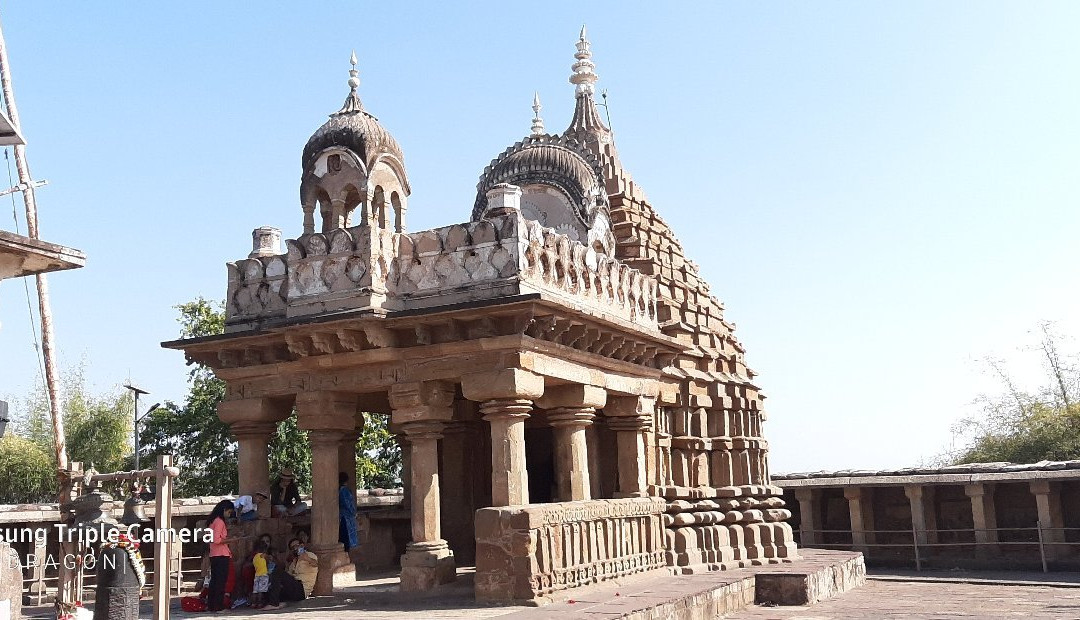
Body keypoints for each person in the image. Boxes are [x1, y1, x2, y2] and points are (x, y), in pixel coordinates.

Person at [261, 538, 315, 610]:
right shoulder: (294, 562)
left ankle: (274, 603)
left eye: (297, 545)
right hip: (294, 587)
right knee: (268, 590)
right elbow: (287, 576)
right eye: (293, 548)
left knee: (278, 572)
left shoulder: (310, 555)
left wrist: (307, 558)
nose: (295, 548)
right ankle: (280, 602)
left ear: (302, 545)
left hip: (302, 589)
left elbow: (316, 564)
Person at [205, 499, 239, 612]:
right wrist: (231, 540)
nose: (229, 515)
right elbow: (217, 540)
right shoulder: (219, 521)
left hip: (214, 554)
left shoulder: (212, 521)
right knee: (220, 581)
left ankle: (212, 605)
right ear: (224, 510)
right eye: (229, 512)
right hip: (221, 554)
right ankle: (218, 606)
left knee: (214, 581)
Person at [338, 471, 358, 551]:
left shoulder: (339, 490)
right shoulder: (345, 491)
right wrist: (354, 512)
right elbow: (348, 504)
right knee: (346, 540)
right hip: (347, 518)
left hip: (341, 516)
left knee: (343, 538)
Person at [250, 540, 270, 608]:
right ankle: (260, 603)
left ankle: (253, 603)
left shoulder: (254, 557)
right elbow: (268, 561)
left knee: (255, 590)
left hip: (257, 575)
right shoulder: (263, 555)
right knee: (261, 591)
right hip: (263, 575)